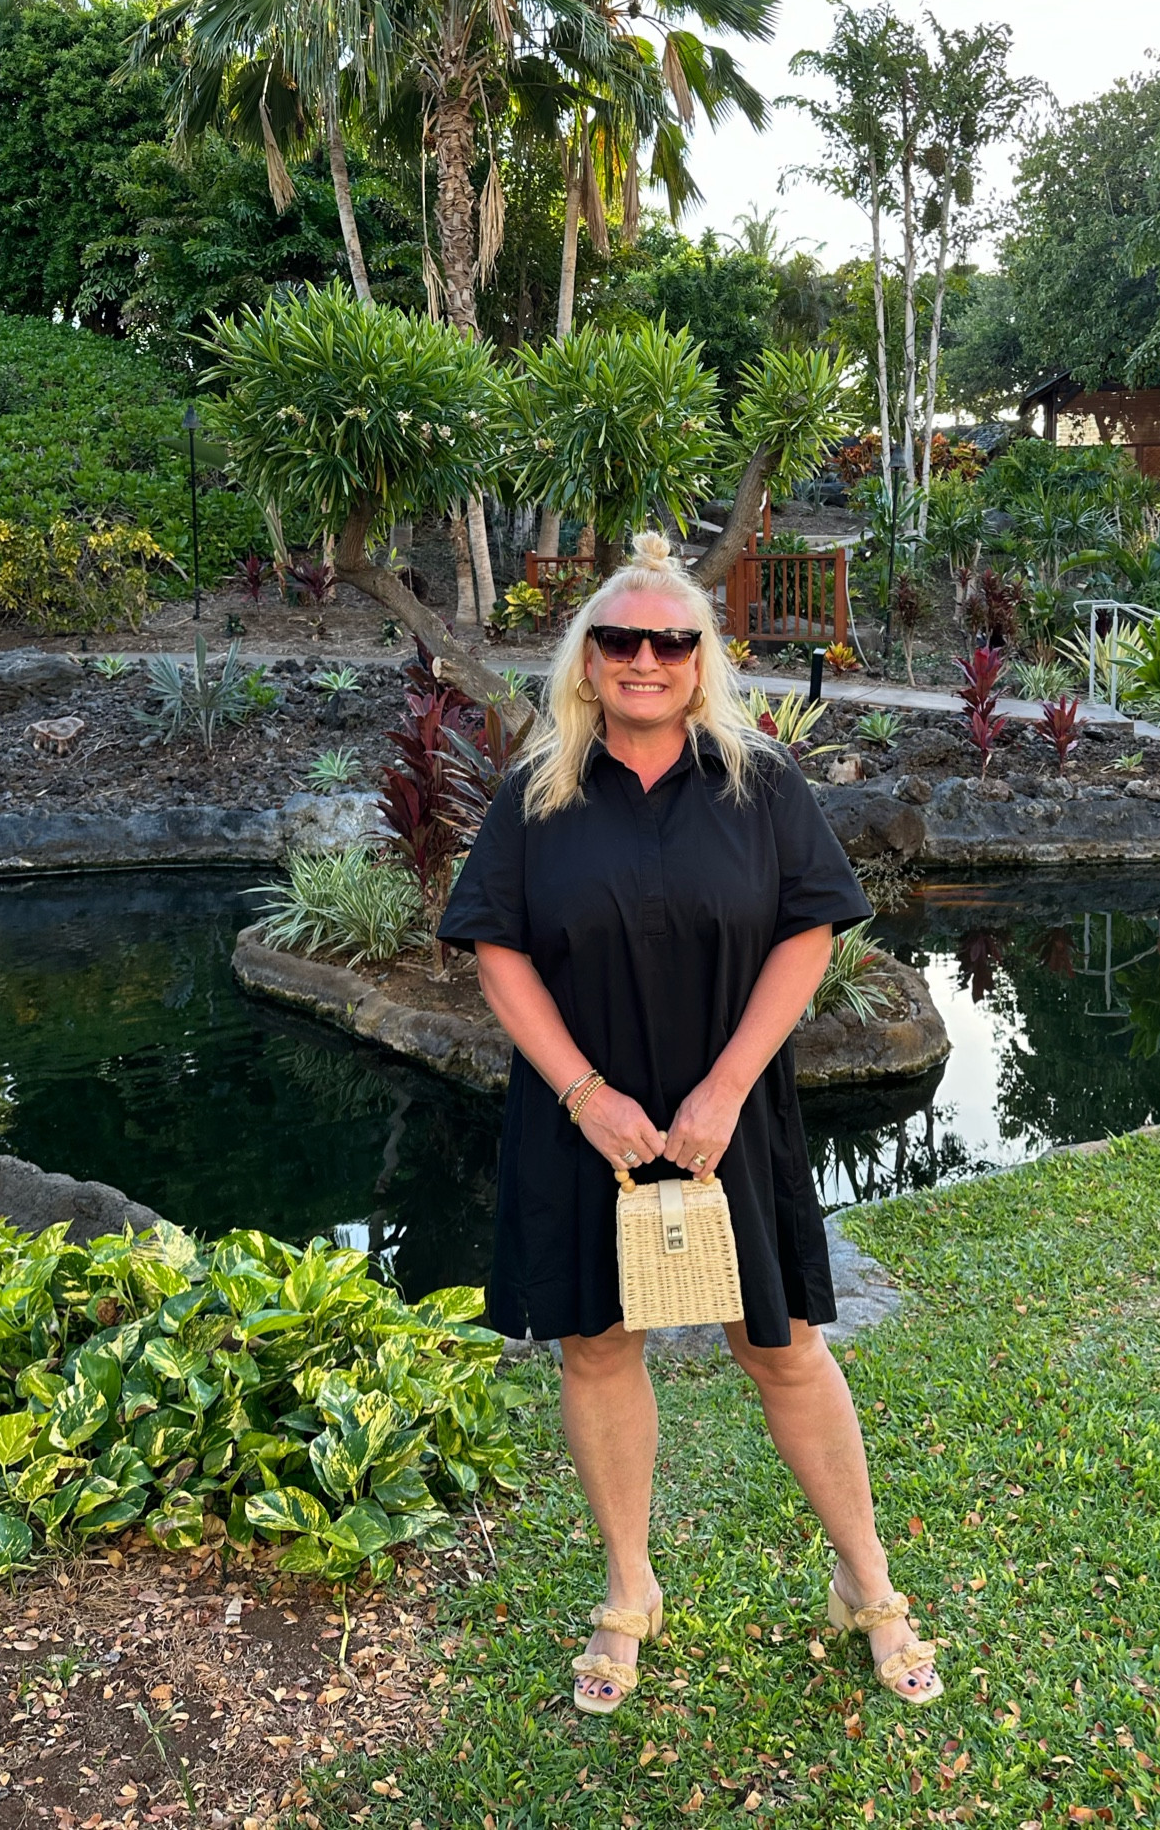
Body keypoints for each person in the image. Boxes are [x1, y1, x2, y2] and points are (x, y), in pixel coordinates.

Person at [438, 532, 941, 1716]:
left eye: (672, 639)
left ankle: (867, 1582)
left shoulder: (761, 785)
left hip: (735, 1112)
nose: (647, 657)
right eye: (623, 638)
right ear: (589, 656)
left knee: (781, 1343)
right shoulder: (538, 792)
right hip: (580, 1116)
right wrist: (584, 1093)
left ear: (703, 657)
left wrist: (721, 1088)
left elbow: (807, 933)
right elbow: (498, 956)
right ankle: (630, 1585)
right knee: (599, 1342)